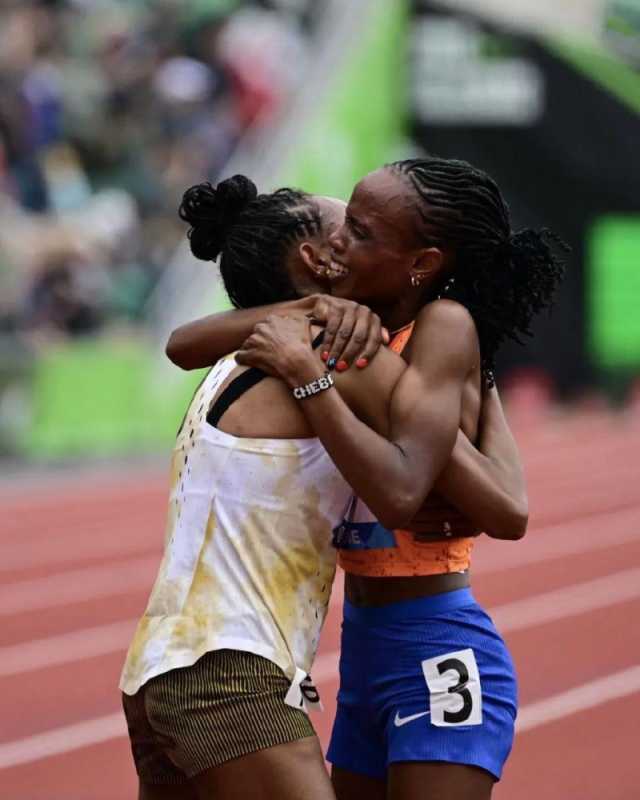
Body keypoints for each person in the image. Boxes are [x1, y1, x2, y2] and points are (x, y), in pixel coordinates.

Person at [120, 174, 528, 800]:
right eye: (347, 226)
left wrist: (480, 380)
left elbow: (182, 343)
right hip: (237, 669)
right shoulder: (331, 348)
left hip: (164, 668)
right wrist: (313, 357)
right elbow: (420, 486)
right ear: (318, 260)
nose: (347, 239)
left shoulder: (253, 352)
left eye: (361, 231)